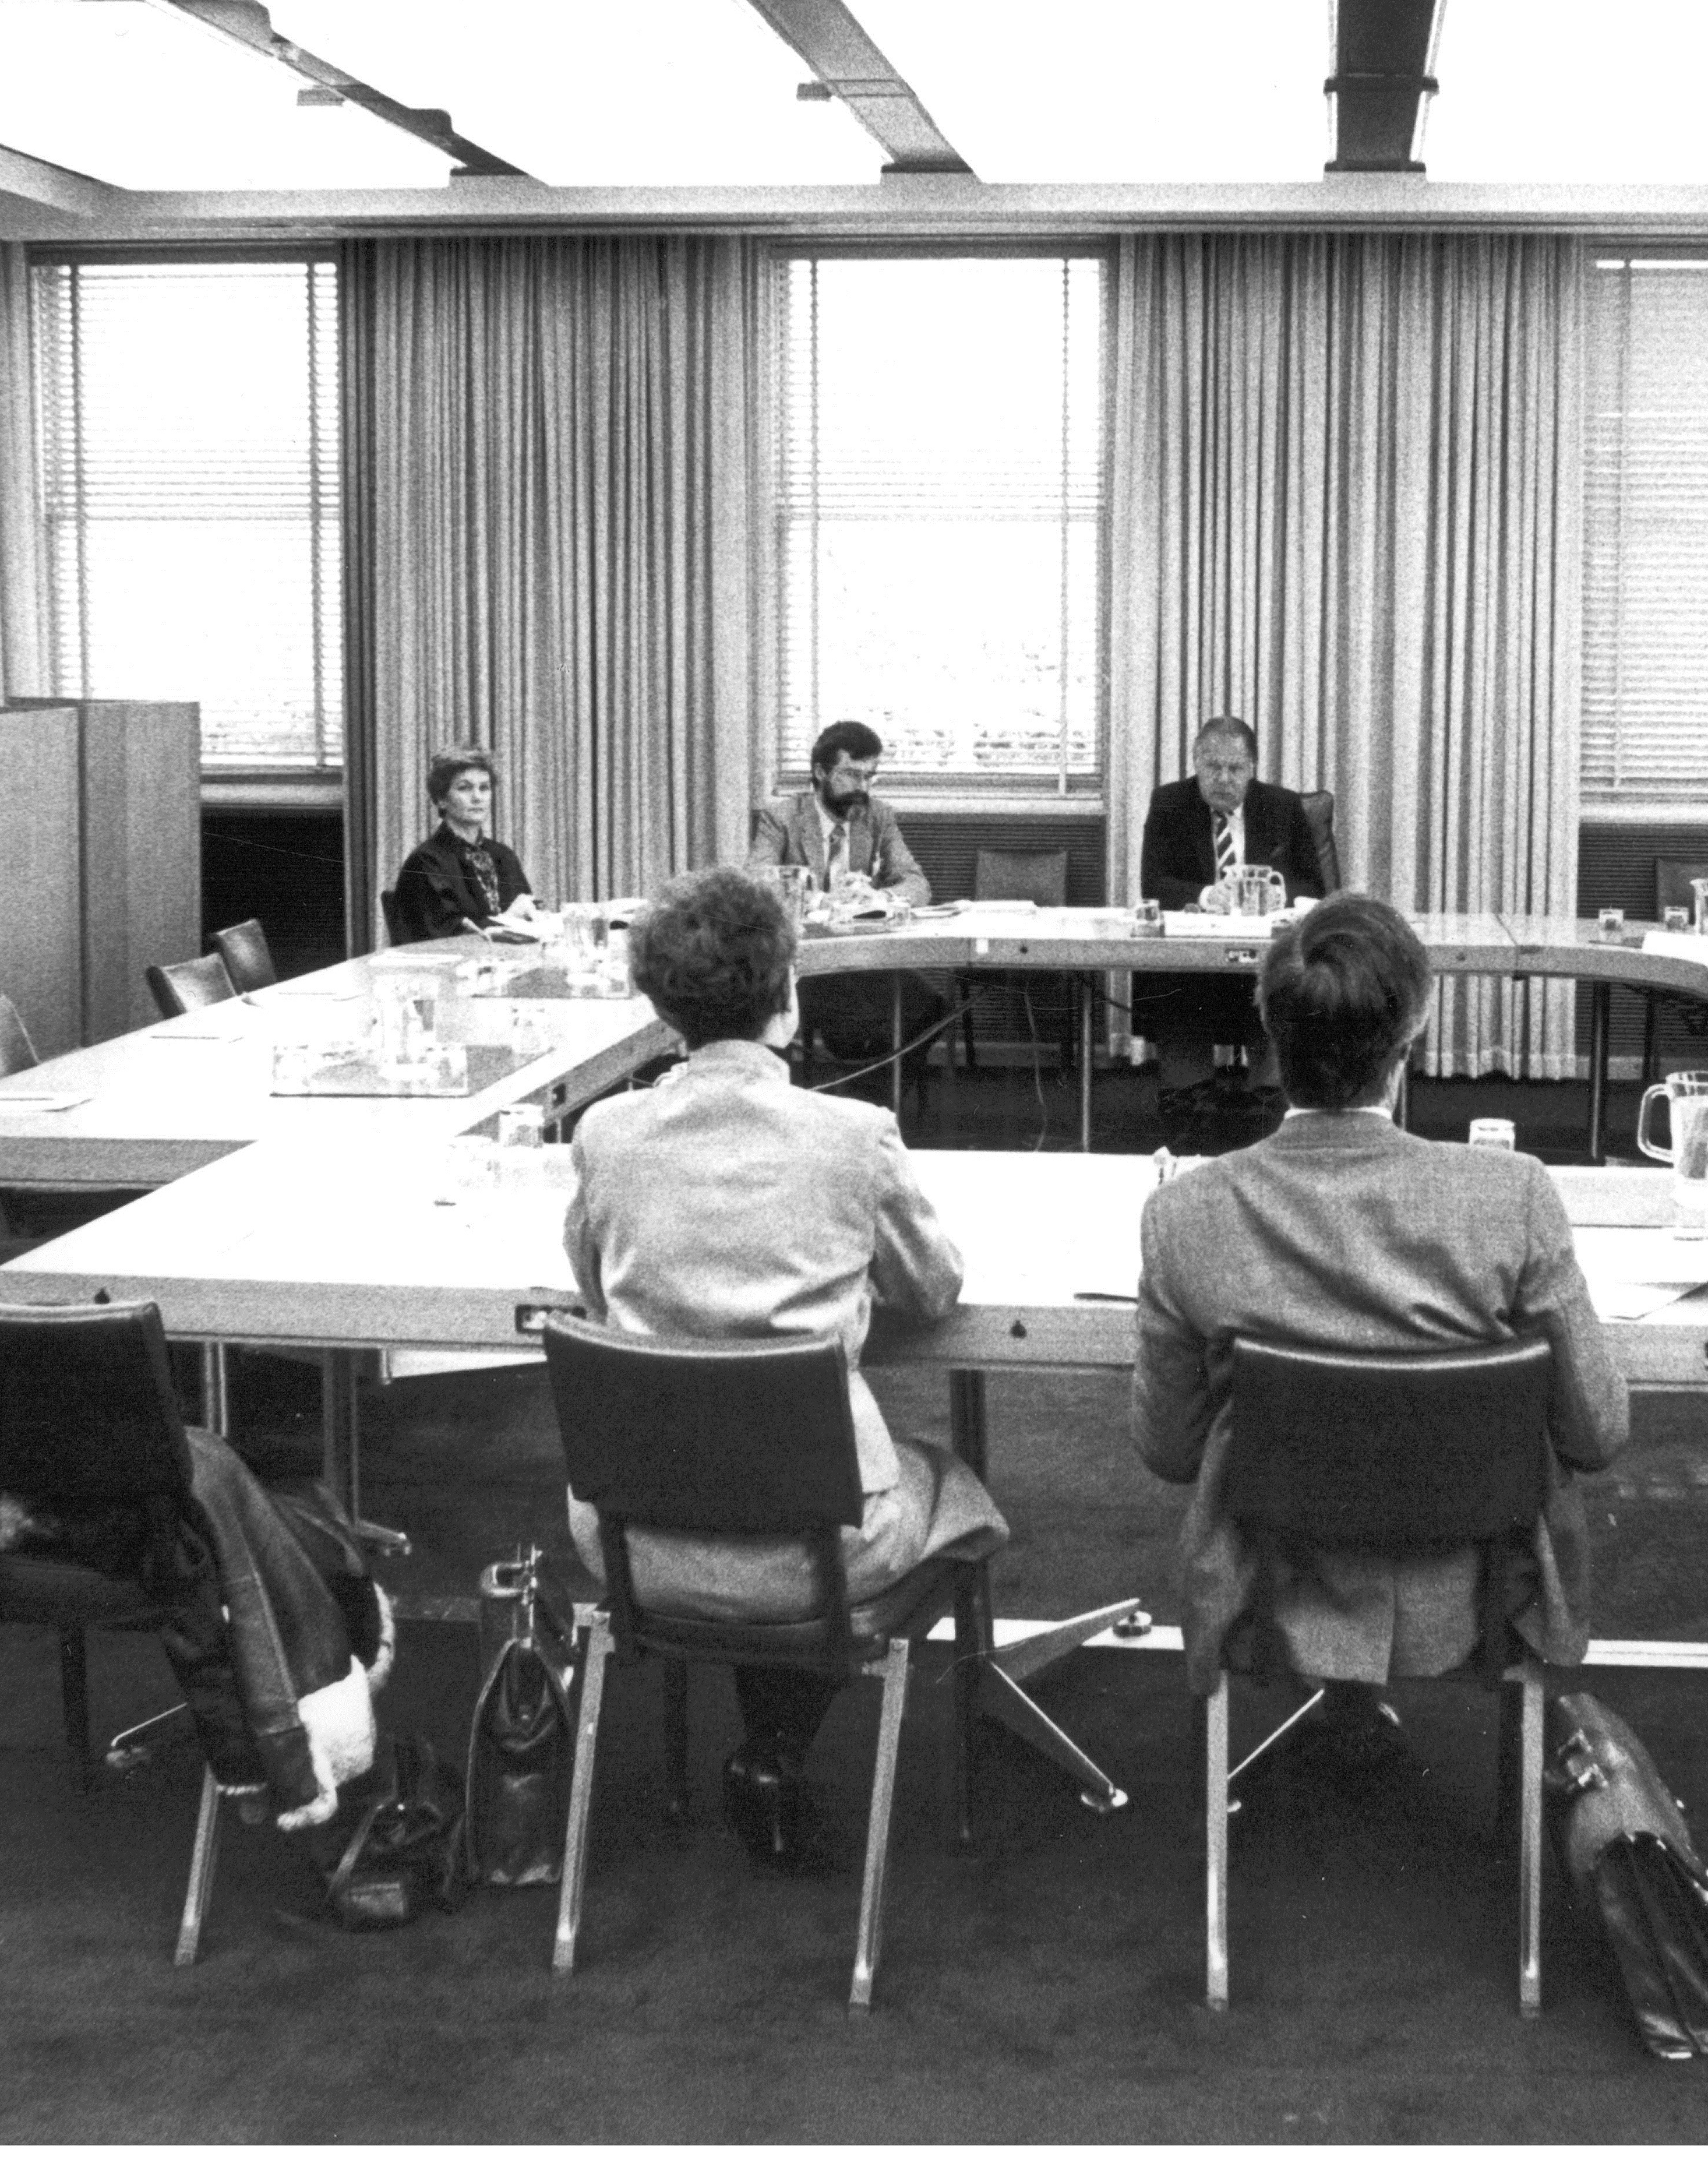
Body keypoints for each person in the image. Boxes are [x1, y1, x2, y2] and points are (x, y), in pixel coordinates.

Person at [560, 865, 1008, 1873]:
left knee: (756, 1471)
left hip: (634, 1539)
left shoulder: (605, 1132)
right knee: (939, 1479)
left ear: (660, 1005)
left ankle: (766, 1736)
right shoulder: (853, 1136)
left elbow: (592, 1288)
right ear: (788, 994)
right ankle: (785, 1742)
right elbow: (934, 1290)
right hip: (821, 1548)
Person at [1132, 895, 1627, 1767]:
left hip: (1274, 1585)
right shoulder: (1511, 1195)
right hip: (1470, 1589)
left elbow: (1169, 1449)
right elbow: (1598, 1428)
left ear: (1270, 1034)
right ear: (1410, 1043)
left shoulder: (1183, 1215)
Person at [1132, 716, 1336, 1130]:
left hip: (1265, 967)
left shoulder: (1283, 807)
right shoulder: (1170, 804)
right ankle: (1186, 1111)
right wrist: (1208, 895)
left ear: (1253, 768)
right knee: (1176, 990)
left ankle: (1271, 1110)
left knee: (1286, 989)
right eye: (1213, 767)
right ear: (1196, 762)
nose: (1224, 778)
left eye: (1236, 769)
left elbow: (1316, 885)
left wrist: (1279, 895)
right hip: (1194, 970)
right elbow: (1153, 885)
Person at [745, 720, 939, 1061]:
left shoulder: (878, 816)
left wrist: (882, 898)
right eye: (851, 775)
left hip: (862, 961)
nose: (862, 787)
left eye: (869, 776)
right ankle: (858, 1091)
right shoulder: (783, 818)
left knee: (929, 1007)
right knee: (853, 1023)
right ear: (820, 772)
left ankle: (872, 1094)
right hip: (802, 966)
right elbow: (758, 884)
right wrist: (824, 901)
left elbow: (916, 882)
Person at [391, 746, 534, 939]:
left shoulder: (503, 855)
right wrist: (508, 919)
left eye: (484, 788)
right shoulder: (426, 861)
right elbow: (444, 934)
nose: (477, 797)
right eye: (464, 788)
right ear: (441, 799)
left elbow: (528, 914)